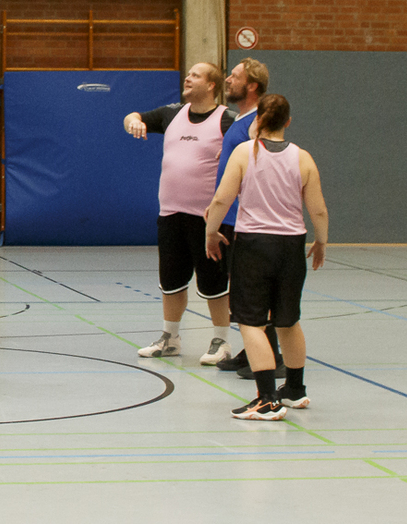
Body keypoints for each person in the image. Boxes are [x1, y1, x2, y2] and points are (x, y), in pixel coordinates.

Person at [205, 93, 328, 421]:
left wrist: (211, 231)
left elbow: (221, 199)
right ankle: (295, 389)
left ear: (258, 121)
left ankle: (267, 399)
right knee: (288, 319)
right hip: (292, 246)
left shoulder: (246, 152)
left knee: (251, 321)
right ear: (287, 121)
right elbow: (317, 207)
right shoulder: (303, 158)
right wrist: (321, 242)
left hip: (255, 245)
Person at [123, 62, 235, 362]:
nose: (188, 78)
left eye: (195, 75)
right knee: (171, 280)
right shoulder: (172, 113)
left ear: (211, 85)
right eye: (188, 74)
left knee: (213, 282)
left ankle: (220, 341)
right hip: (171, 213)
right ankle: (170, 338)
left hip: (208, 219)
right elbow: (132, 116)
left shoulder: (228, 120)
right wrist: (132, 121)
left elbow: (250, 151)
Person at [212, 58, 285, 376]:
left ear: (252, 85)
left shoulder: (257, 123)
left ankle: (273, 359)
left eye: (235, 76)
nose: (228, 80)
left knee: (252, 292)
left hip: (246, 220)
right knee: (239, 291)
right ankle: (252, 350)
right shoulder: (239, 121)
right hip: (229, 217)